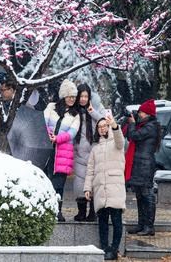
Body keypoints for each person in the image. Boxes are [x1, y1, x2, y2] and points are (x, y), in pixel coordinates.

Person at [84, 115, 125, 260]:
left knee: (116, 220)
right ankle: (104, 247)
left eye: (104, 126)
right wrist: (87, 188)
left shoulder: (117, 143)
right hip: (100, 188)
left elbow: (120, 139)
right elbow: (90, 170)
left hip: (115, 188)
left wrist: (114, 125)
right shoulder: (95, 149)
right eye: (99, 127)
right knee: (102, 221)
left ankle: (114, 249)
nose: (102, 129)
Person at [43, 79, 81, 222]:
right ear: (63, 96)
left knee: (59, 185)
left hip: (63, 152)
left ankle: (57, 211)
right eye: (70, 96)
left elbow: (72, 133)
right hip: (47, 150)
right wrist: (49, 135)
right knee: (46, 181)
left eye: (73, 97)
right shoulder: (51, 107)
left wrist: (57, 138)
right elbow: (43, 122)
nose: (72, 99)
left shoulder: (75, 114)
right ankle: (45, 210)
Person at [125, 99, 160, 236]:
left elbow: (134, 136)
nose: (139, 114)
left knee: (147, 194)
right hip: (139, 163)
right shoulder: (143, 125)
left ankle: (149, 226)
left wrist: (133, 123)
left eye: (142, 112)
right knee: (139, 195)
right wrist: (132, 123)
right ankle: (141, 224)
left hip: (145, 164)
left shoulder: (151, 126)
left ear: (149, 114)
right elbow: (130, 136)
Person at [73, 83, 104, 222]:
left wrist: (92, 112)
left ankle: (93, 212)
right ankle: (81, 212)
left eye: (86, 96)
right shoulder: (73, 111)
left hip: (93, 152)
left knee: (93, 183)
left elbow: (104, 122)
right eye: (81, 96)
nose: (83, 99)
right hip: (78, 152)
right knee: (79, 184)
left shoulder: (95, 109)